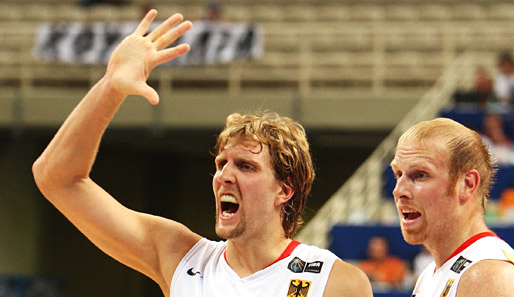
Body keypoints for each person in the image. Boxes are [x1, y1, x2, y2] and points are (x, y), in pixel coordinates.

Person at [31, 9, 372, 297]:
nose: (224, 175)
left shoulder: (336, 283)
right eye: (222, 163)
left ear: (284, 190)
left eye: (246, 166)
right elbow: (57, 179)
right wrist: (109, 87)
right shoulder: (179, 255)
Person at [390, 117, 514, 297]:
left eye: (420, 175)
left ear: (467, 184)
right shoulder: (429, 274)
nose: (398, 190)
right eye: (398, 174)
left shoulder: (489, 277)